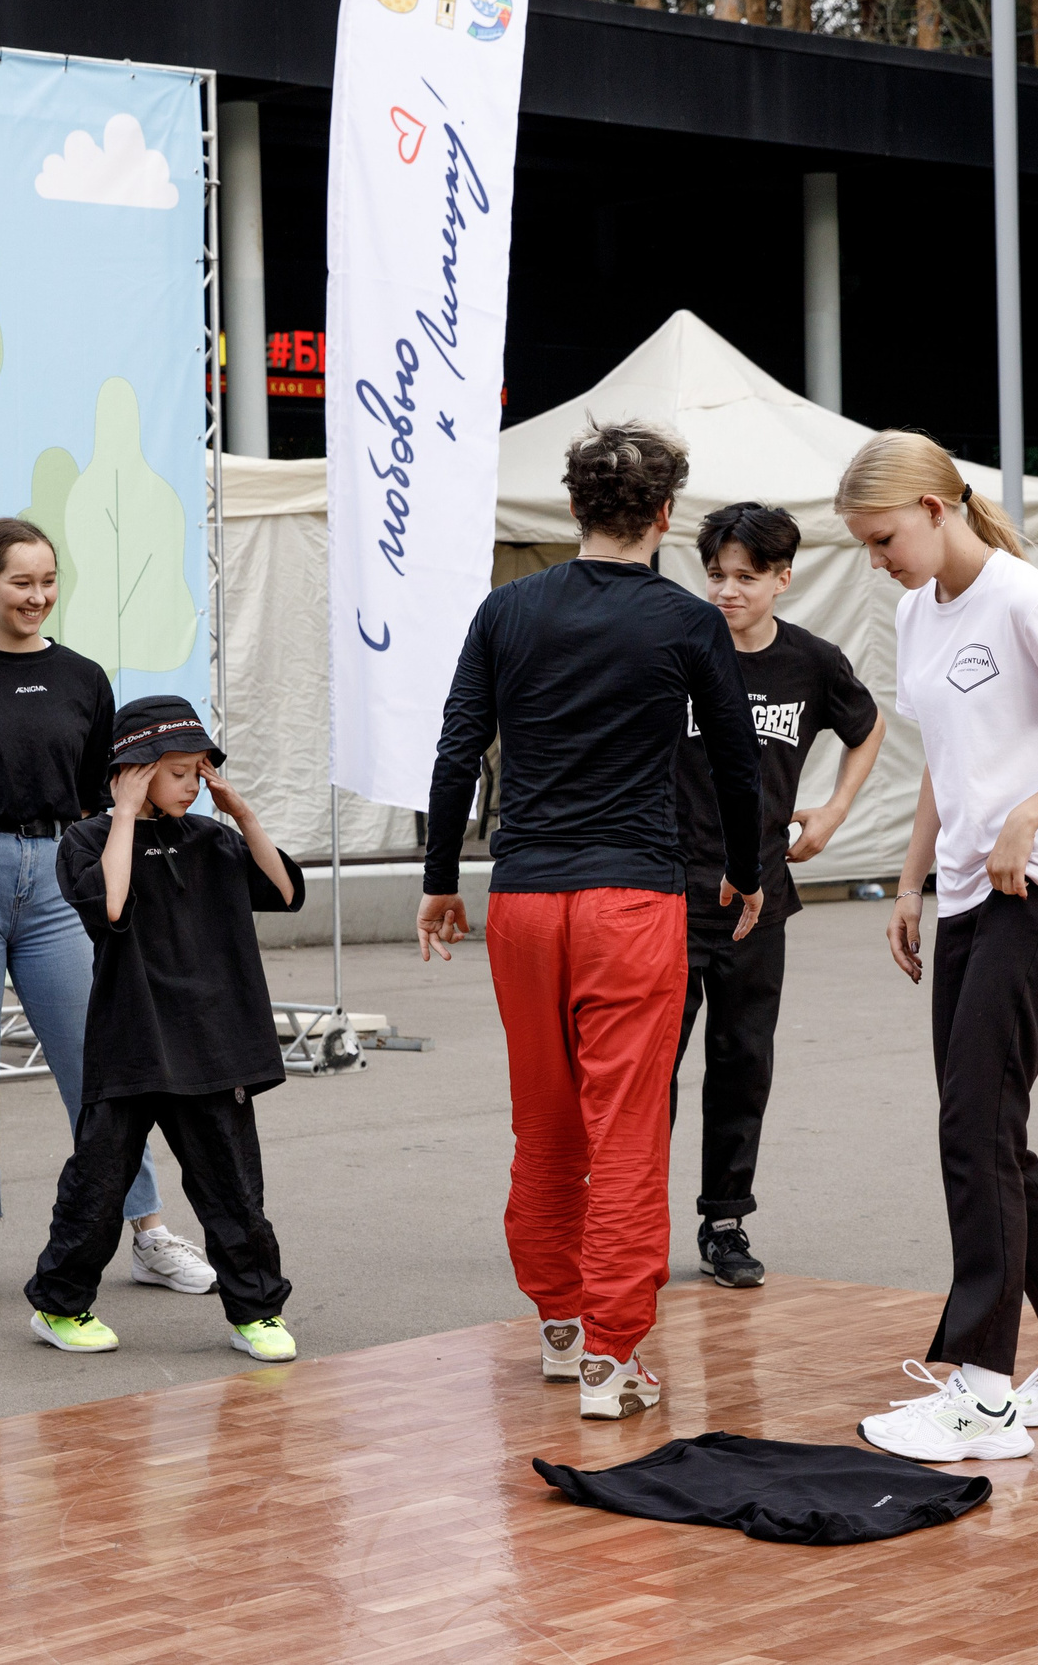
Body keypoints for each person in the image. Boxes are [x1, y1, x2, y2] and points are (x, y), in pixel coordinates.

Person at [418, 421, 764, 1422]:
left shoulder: (507, 610)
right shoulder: (686, 622)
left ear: (573, 509)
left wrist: (442, 877)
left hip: (523, 896)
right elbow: (735, 761)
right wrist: (743, 871)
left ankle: (561, 1326)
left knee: (545, 1118)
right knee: (624, 1133)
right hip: (631, 901)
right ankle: (614, 1358)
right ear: (664, 516)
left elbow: (455, 753)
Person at [837, 431, 1038, 1463]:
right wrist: (910, 876)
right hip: (973, 896)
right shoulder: (912, 609)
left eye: (882, 538)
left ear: (936, 509)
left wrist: (1030, 816)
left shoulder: (1025, 600)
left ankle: (981, 1393)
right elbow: (946, 751)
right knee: (987, 1130)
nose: (875, 560)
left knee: (973, 1127)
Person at [0, 521, 216, 1316]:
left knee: (106, 1065)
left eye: (48, 581)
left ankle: (149, 1230)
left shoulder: (84, 679)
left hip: (63, 874)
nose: (36, 596)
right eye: (21, 582)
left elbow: (107, 804)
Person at [25, 697, 304, 1362]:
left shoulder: (215, 840)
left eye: (197, 770)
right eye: (177, 770)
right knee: (96, 1186)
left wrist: (242, 813)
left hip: (215, 1044)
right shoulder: (89, 840)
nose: (191, 782)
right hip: (132, 1042)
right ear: (134, 770)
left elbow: (286, 893)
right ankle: (60, 1307)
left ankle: (257, 1312)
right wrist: (123, 813)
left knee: (234, 1187)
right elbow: (110, 904)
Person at [669, 503, 883, 1288]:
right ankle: (623, 1225)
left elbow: (868, 727)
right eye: (717, 575)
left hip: (758, 899)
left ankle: (725, 1222)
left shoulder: (812, 663)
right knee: (651, 1066)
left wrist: (832, 810)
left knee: (741, 1058)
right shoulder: (676, 651)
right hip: (665, 893)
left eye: (747, 578)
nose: (728, 591)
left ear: (783, 578)